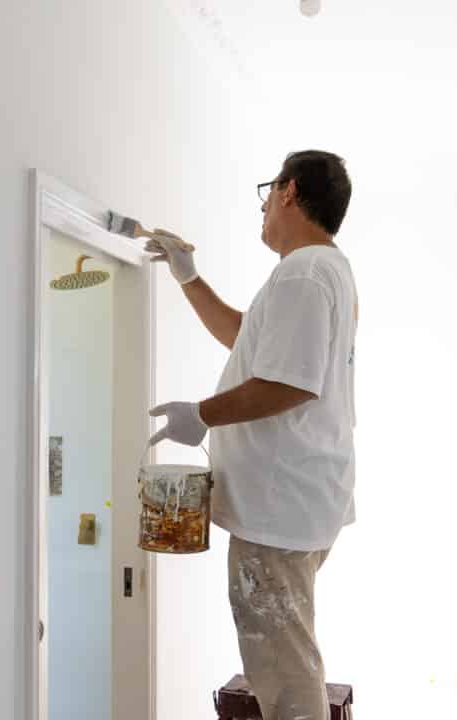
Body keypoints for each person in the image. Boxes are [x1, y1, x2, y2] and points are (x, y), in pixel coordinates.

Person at [146, 150, 357, 720]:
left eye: (268, 192)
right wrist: (188, 277)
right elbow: (247, 339)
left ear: (288, 192)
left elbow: (290, 383)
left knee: (286, 676)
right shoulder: (319, 270)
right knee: (286, 657)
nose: (263, 207)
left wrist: (201, 415)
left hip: (279, 508)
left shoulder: (304, 274)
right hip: (295, 502)